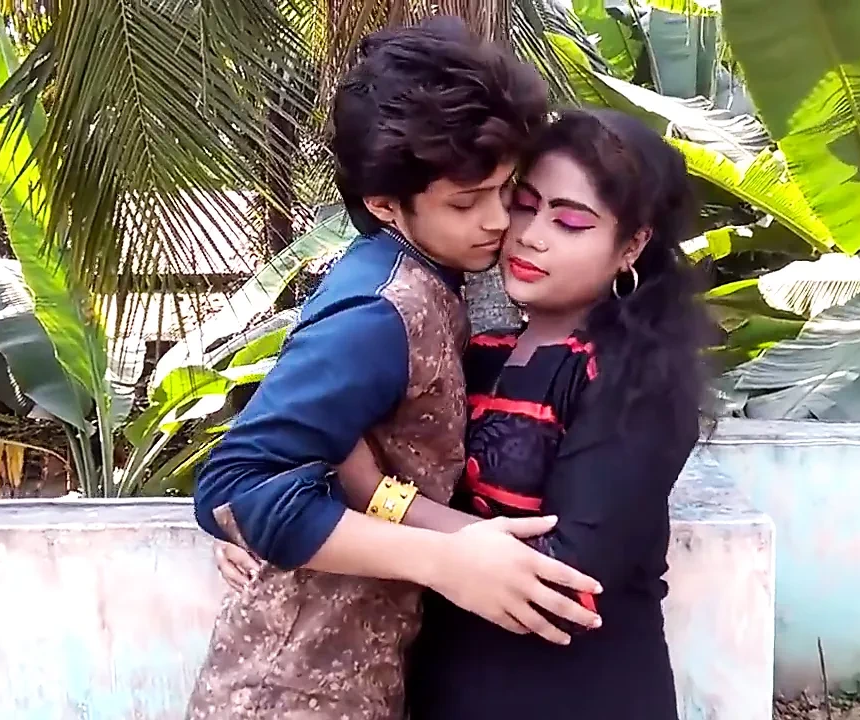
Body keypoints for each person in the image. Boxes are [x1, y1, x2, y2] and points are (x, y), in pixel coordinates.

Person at [219, 108, 709, 719]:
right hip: (436, 683)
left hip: (575, 694)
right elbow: (299, 460)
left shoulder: (638, 385)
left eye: (570, 221)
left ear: (631, 245)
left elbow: (561, 578)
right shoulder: (472, 351)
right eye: (524, 205)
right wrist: (258, 522)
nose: (529, 234)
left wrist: (380, 496)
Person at [186, 19, 603, 720]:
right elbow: (236, 485)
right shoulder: (379, 312)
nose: (498, 220)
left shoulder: (426, 281)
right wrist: (445, 560)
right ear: (384, 205)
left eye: (506, 190)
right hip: (292, 691)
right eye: (466, 203)